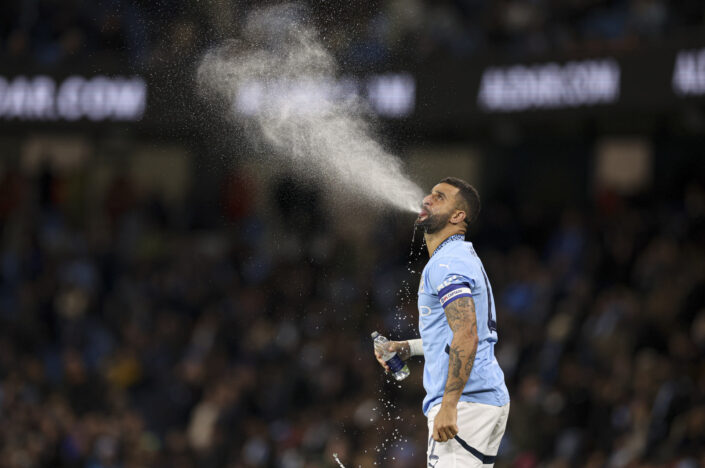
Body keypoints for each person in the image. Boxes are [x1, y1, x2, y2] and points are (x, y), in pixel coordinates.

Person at [375, 177, 510, 467]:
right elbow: (458, 336)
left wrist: (449, 405)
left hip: (466, 403)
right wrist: (407, 348)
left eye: (439, 197)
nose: (427, 199)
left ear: (458, 216)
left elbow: (467, 333)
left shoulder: (447, 262)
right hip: (479, 399)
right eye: (430, 193)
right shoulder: (455, 257)